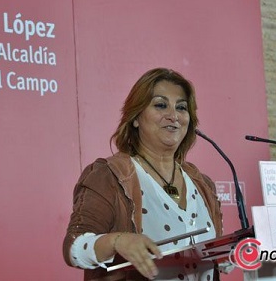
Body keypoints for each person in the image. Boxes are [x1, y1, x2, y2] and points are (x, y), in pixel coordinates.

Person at [63, 68, 224, 281]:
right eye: (160, 105)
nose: (174, 116)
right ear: (136, 118)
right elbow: (74, 247)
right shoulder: (108, 176)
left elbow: (215, 258)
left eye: (182, 107)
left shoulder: (202, 184)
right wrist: (117, 241)